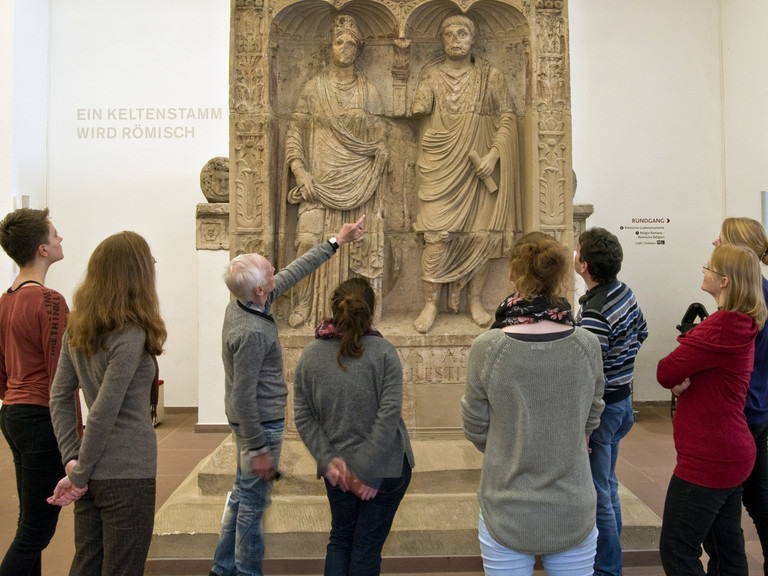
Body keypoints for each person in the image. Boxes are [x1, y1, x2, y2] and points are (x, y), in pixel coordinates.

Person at [209, 215, 366, 576]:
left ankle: (222, 568)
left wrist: (336, 242)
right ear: (260, 290)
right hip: (260, 423)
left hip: (253, 421)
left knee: (240, 494)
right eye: (269, 272)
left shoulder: (246, 301)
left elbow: (295, 271)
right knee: (253, 501)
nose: (275, 270)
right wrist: (258, 448)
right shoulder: (251, 332)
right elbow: (244, 397)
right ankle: (247, 572)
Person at [462, 232, 605, 575]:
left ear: (512, 274)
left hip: (507, 503)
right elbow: (594, 412)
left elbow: (475, 426)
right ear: (560, 277)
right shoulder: (587, 345)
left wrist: (509, 445)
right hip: (571, 502)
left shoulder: (488, 347)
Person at [47, 231, 167, 576]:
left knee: (87, 563)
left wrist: (72, 460)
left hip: (92, 469)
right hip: (127, 472)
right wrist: (78, 471)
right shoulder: (130, 332)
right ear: (137, 274)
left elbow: (59, 396)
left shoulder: (78, 328)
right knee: (122, 568)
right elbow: (103, 411)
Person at [657, 244, 767, 574]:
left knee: (677, 547)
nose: (703, 270)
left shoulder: (722, 326)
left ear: (725, 281)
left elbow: (665, 371)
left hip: (712, 455)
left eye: (709, 266)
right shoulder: (739, 322)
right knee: (725, 546)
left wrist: (684, 373)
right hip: (729, 449)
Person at [293, 277, 414, 575]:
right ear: (370, 313)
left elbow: (303, 415)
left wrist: (328, 459)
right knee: (365, 548)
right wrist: (368, 471)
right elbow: (388, 417)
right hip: (385, 471)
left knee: (341, 541)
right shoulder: (384, 352)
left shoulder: (310, 354)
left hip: (339, 470)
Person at [411, 13, 521, 333]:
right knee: (436, 236)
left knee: (479, 236)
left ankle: (475, 300)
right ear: (442, 39)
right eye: (449, 33)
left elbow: (508, 117)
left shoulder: (492, 76)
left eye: (462, 33)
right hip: (438, 166)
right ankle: (430, 302)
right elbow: (418, 109)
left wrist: (493, 154)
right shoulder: (431, 74)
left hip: (477, 171)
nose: (456, 39)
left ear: (473, 39)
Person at [285, 14, 388, 328]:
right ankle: (303, 303)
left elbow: (380, 137)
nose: (344, 48)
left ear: (358, 50)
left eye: (350, 44)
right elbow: (294, 133)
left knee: (359, 248)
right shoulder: (314, 88)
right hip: (319, 184)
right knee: (306, 241)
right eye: (338, 41)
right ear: (330, 45)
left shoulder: (368, 91)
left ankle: (356, 313)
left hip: (357, 182)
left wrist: (380, 152)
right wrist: (300, 173)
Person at [574, 227, 648, 576]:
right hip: (622, 402)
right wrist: (625, 363)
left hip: (603, 411)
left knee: (599, 491)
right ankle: (610, 555)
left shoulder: (595, 314)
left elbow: (589, 373)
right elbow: (642, 331)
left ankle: (607, 567)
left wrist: (585, 423)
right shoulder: (625, 292)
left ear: (584, 265)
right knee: (609, 483)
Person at [0, 208, 67, 576]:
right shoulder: (49, 301)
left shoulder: (5, 300)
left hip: (13, 413)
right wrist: (75, 439)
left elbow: (1, 372)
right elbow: (61, 377)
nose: (60, 239)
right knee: (34, 533)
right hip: (41, 417)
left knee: (28, 522)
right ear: (42, 248)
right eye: (55, 234)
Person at [704, 217, 768, 574]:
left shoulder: (744, 305)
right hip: (756, 411)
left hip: (738, 415)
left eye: (723, 239)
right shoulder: (758, 294)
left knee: (722, 514)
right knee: (757, 502)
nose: (715, 242)